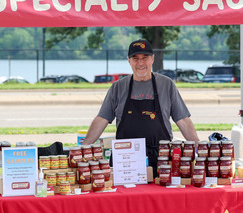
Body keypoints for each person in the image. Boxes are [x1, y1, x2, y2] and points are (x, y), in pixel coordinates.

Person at [82, 38, 199, 171]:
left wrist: (200, 150)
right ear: (129, 61)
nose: (141, 63)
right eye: (136, 58)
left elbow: (182, 119)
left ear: (152, 59)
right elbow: (102, 119)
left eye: (145, 57)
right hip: (125, 158)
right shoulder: (118, 87)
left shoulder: (166, 85)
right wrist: (83, 148)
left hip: (161, 158)